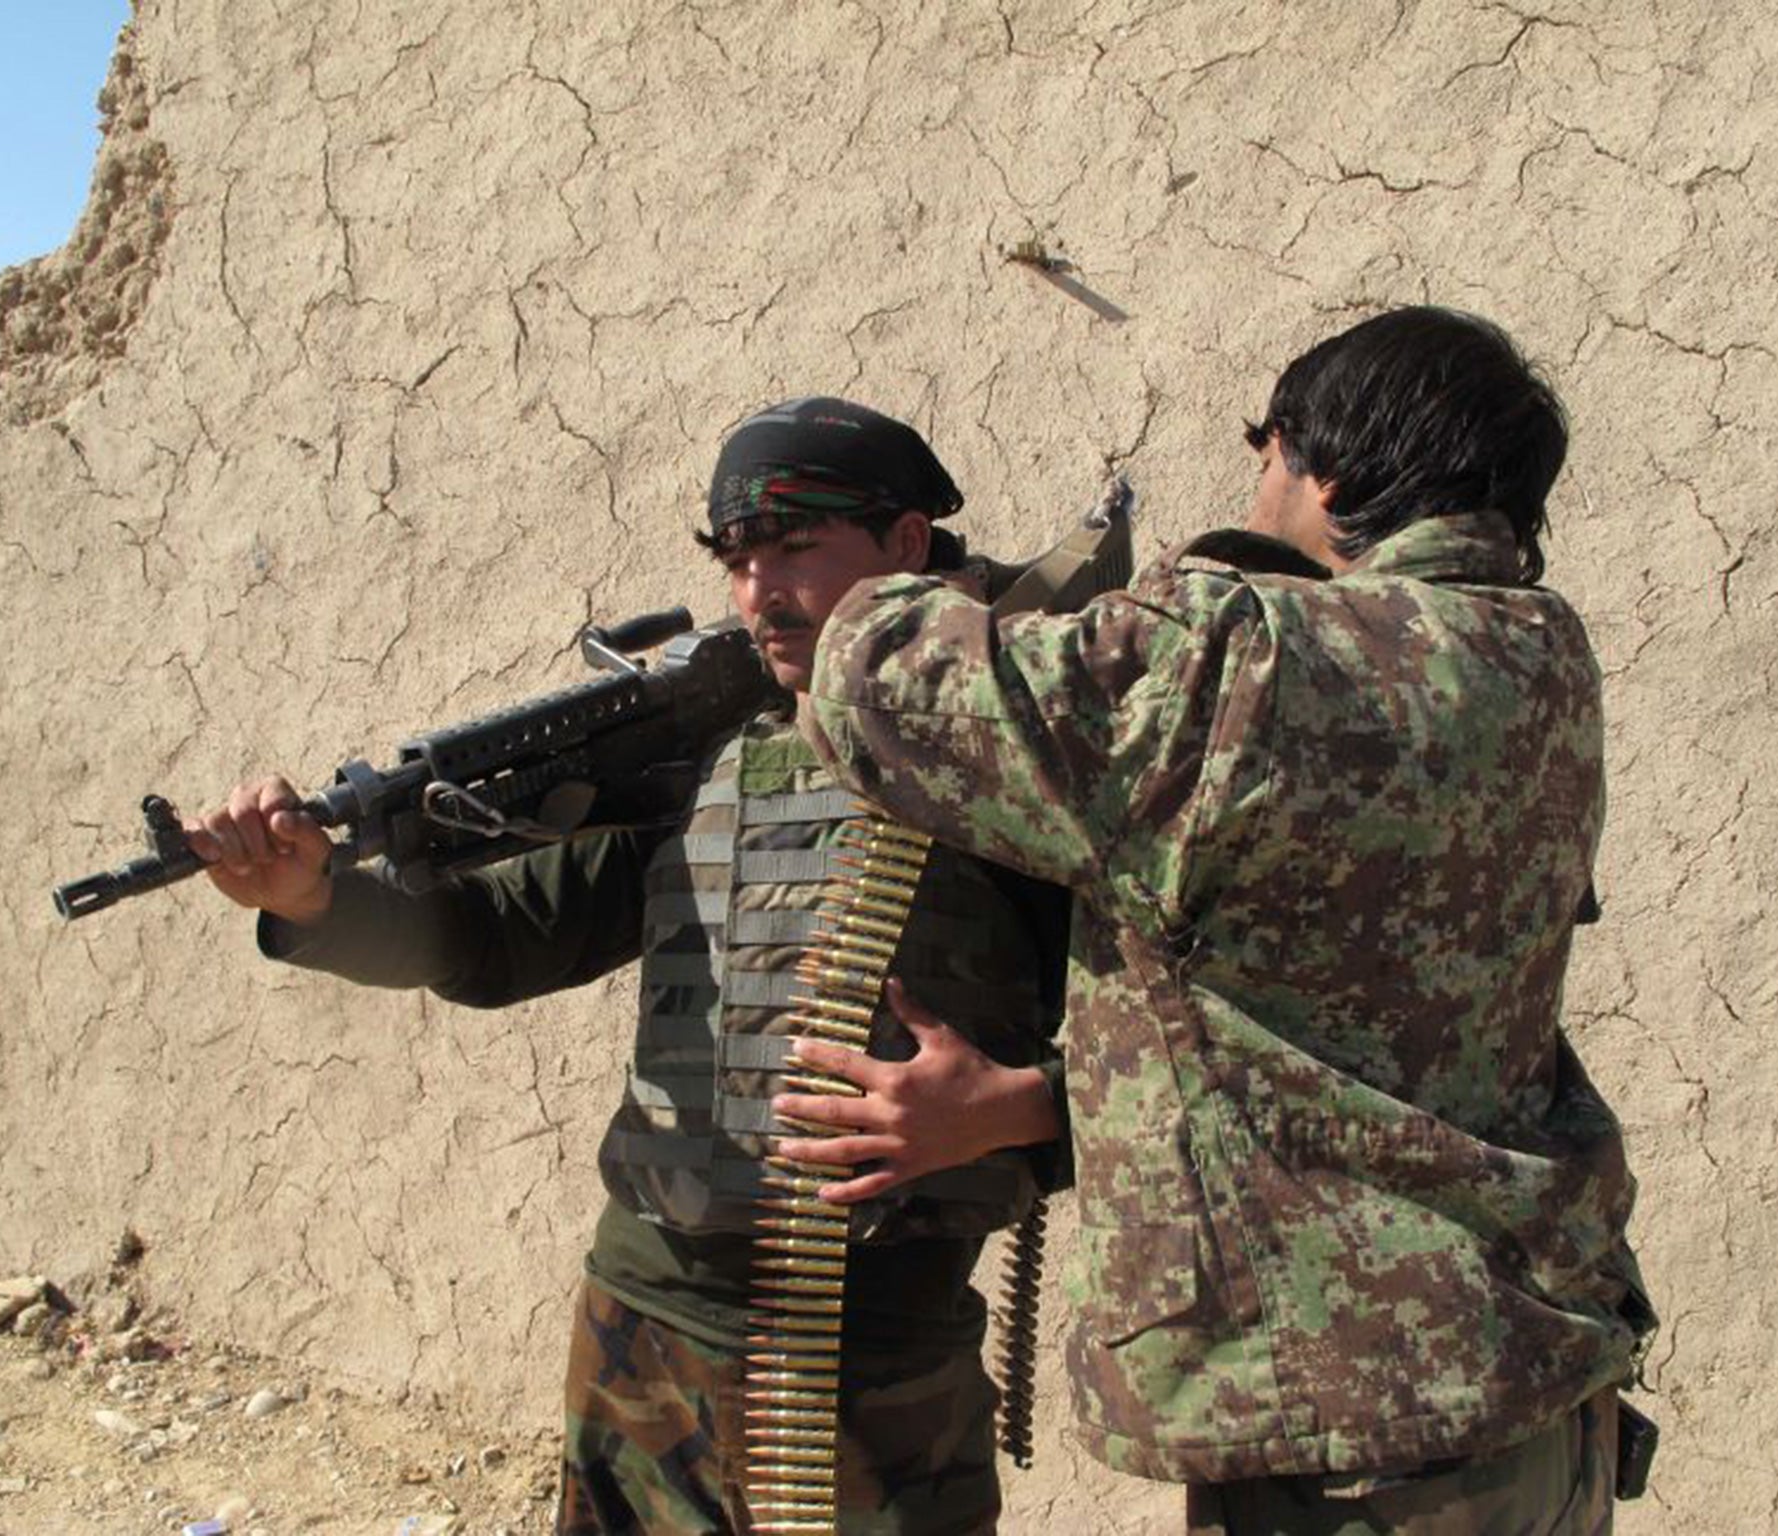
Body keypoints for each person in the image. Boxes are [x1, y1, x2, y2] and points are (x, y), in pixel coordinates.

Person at [794, 309, 1656, 1532]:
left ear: (1333, 468)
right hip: (1530, 1387)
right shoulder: (1541, 657)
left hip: (1356, 1437)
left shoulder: (1248, 654)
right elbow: (1316, 1011)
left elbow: (884, 687)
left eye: (1266, 450)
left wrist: (907, 586)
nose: (1255, 483)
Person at [184, 396, 1070, 1535]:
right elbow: (492, 939)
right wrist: (310, 897)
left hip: (865, 1351)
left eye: (797, 547)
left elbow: (1197, 1045)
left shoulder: (1030, 756)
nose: (759, 591)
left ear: (905, 544)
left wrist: (1021, 1110)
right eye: (739, 558)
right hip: (640, 1318)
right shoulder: (702, 760)